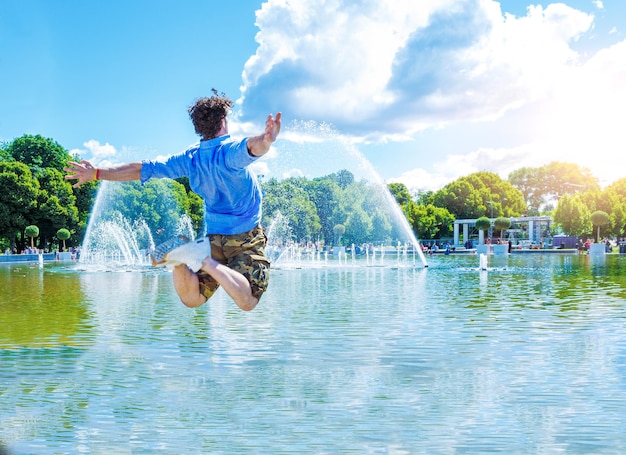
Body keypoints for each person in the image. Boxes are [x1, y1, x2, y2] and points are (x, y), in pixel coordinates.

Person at [65, 91, 281, 312]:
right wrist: (266, 140)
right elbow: (252, 147)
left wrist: (97, 173)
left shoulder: (190, 158)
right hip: (244, 237)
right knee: (248, 301)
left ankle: (179, 259)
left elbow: (142, 168)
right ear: (224, 121)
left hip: (213, 238)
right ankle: (205, 261)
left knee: (193, 299)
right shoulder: (229, 152)